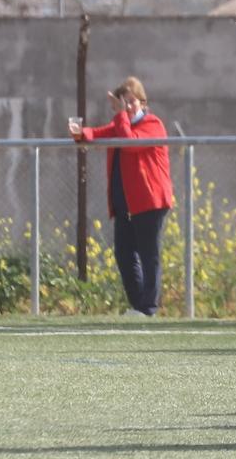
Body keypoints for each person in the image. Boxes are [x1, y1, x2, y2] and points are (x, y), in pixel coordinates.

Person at [69, 77, 172, 318]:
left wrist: (120, 113)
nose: (128, 106)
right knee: (124, 254)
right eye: (123, 101)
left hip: (149, 201)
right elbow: (96, 133)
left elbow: (130, 144)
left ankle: (149, 308)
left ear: (142, 101)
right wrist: (79, 133)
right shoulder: (122, 124)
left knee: (149, 255)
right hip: (126, 205)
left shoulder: (152, 124)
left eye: (132, 101)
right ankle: (138, 305)